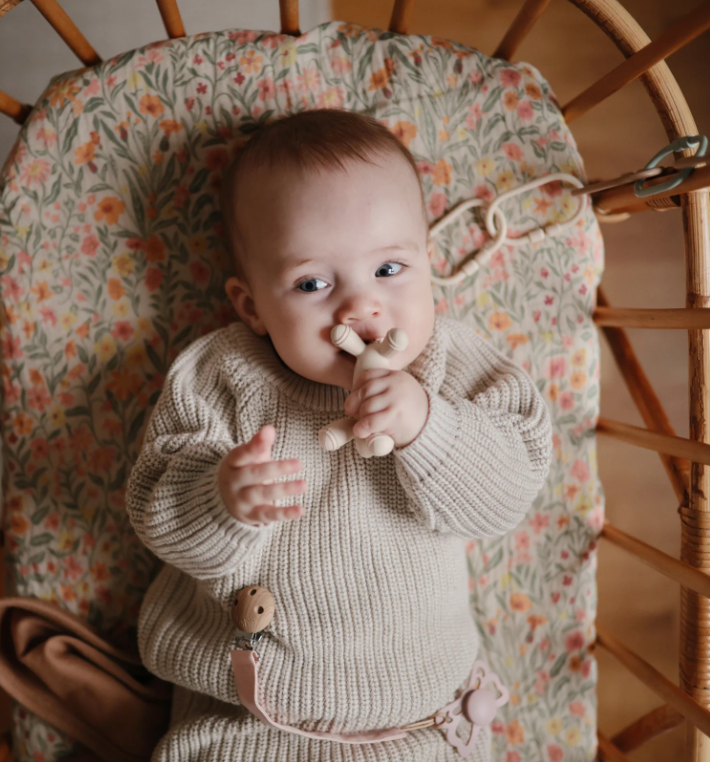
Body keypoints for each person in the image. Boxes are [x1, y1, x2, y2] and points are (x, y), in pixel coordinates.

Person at [125, 108, 553, 762]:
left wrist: (427, 427)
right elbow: (153, 504)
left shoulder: (451, 365)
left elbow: (510, 489)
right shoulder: (226, 375)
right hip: (249, 721)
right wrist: (221, 496)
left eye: (389, 270)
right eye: (312, 283)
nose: (359, 307)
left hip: (422, 726)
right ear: (252, 307)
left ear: (428, 263)